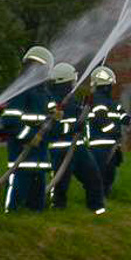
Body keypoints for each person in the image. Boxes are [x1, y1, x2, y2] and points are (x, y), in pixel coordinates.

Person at [46, 62, 106, 214]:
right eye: (73, 80)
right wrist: (71, 129)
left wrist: (86, 108)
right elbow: (52, 127)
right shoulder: (52, 101)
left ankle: (97, 211)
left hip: (78, 149)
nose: (75, 83)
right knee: (60, 184)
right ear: (66, 81)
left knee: (94, 179)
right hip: (60, 150)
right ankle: (57, 211)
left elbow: (79, 118)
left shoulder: (71, 99)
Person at [1, 46, 55, 212]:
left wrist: (56, 115)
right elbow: (10, 120)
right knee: (18, 189)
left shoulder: (45, 93)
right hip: (22, 151)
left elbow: (50, 116)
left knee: (37, 196)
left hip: (39, 154)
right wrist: (28, 136)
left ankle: (35, 215)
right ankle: (10, 214)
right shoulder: (21, 91)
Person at [86, 66, 129, 198]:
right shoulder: (97, 101)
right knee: (100, 175)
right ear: (105, 86)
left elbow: (121, 115)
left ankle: (104, 197)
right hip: (99, 146)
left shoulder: (112, 103)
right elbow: (101, 120)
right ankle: (96, 199)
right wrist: (115, 132)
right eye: (110, 85)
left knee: (109, 175)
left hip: (111, 146)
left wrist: (127, 119)